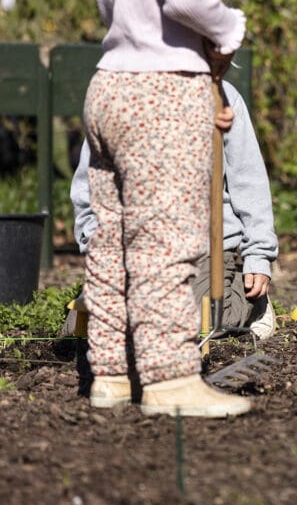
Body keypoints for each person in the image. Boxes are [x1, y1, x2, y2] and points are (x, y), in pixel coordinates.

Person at [74, 0, 250, 417]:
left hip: (109, 87)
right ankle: (170, 379)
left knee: (112, 242)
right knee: (166, 244)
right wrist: (228, 28)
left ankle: (113, 374)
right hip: (163, 91)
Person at [67, 80, 278, 341]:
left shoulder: (221, 97)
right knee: (85, 327)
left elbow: (248, 182)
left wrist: (258, 254)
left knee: (193, 323)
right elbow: (90, 191)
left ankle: (253, 304)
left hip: (206, 250)